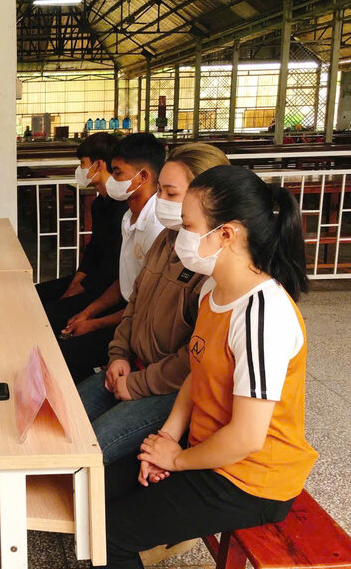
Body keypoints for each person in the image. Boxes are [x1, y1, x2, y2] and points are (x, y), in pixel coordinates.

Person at [94, 165, 318, 569]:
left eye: (188, 226)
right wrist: (165, 439)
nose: (180, 236)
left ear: (226, 234)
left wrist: (176, 460)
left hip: (250, 479)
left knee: (107, 535)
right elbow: (197, 374)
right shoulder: (214, 289)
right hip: (209, 452)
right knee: (96, 492)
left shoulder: (261, 315)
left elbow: (247, 437)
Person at [78, 143, 229, 465]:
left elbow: (195, 355)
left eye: (171, 194)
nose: (160, 200)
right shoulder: (165, 240)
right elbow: (135, 303)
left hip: (171, 388)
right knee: (65, 415)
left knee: (91, 448)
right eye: (160, 190)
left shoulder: (211, 261)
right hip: (134, 366)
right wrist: (119, 354)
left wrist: (138, 384)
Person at [61, 133, 166, 382]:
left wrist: (95, 323)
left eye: (117, 173)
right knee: (67, 336)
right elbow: (125, 281)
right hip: (126, 314)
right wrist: (88, 312)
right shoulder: (128, 217)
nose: (112, 180)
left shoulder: (157, 227)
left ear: (143, 176)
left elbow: (145, 306)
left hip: (141, 326)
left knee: (64, 354)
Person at [36, 133, 127, 339]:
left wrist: (80, 288)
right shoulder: (99, 204)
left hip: (108, 289)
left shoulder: (123, 209)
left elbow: (112, 267)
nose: (80, 170)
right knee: (35, 295)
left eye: (82, 163)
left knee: (47, 315)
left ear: (99, 165)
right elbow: (93, 250)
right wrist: (74, 284)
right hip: (92, 279)